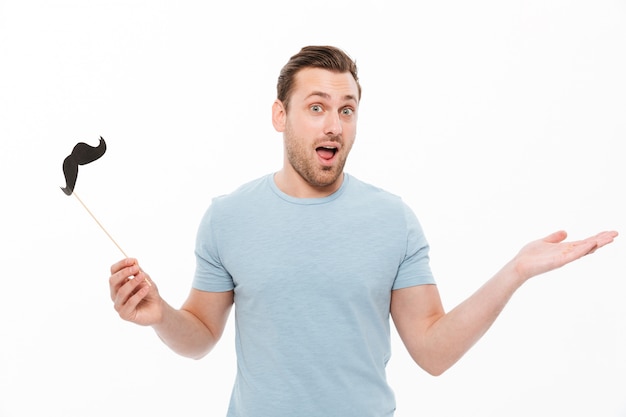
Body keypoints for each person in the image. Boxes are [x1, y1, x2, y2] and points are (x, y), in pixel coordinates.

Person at [109, 45, 618, 417]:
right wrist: (159, 316)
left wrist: (516, 271)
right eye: (316, 107)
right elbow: (198, 338)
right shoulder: (228, 217)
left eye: (346, 109)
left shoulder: (392, 219)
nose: (334, 124)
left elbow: (434, 352)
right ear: (279, 116)